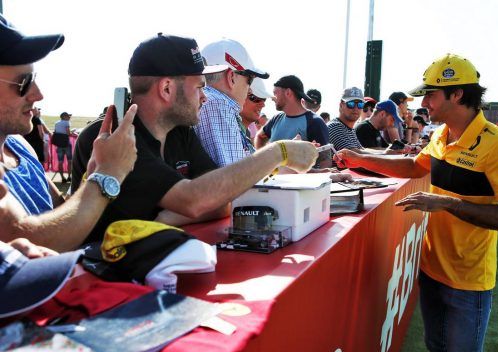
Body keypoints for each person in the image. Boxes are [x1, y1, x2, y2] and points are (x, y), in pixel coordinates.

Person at [334, 53, 498, 352]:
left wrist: (446, 203)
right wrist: (360, 158)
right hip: (431, 268)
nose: (425, 102)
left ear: (457, 94)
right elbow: (413, 166)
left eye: (431, 94)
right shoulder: (440, 133)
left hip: (468, 280)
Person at [71, 34, 318, 244]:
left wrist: (166, 218)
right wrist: (278, 152)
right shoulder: (116, 137)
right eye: (199, 87)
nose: (205, 97)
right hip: (107, 281)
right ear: (167, 89)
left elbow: (223, 198)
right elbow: (195, 200)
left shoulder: (181, 132)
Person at [0, 14, 137, 252]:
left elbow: (59, 216)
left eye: (35, 79)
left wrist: (92, 173)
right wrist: (107, 176)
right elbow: (25, 242)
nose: (38, 94)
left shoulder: (19, 145)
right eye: (24, 82)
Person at [193, 39, 269, 167]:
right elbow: (235, 179)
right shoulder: (218, 103)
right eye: (249, 80)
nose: (250, 88)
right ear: (231, 77)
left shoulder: (212, 102)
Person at [255, 75, 330, 167]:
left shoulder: (315, 122)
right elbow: (260, 137)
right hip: (272, 179)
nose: (272, 98)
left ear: (288, 93)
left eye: (275, 93)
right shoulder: (276, 119)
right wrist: (263, 163)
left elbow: (325, 162)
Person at [327, 87, 365, 151]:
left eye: (360, 105)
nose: (356, 108)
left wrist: (386, 153)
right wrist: (386, 156)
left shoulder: (349, 129)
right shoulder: (335, 126)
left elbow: (362, 150)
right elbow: (355, 155)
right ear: (341, 106)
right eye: (351, 104)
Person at [53, 111, 73, 183]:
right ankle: (69, 177)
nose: (69, 117)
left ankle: (62, 178)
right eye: (68, 116)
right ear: (64, 117)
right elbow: (68, 133)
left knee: (60, 162)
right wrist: (72, 133)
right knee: (69, 161)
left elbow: (55, 132)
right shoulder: (66, 123)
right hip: (66, 143)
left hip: (59, 144)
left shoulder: (56, 123)